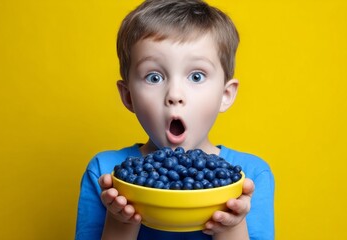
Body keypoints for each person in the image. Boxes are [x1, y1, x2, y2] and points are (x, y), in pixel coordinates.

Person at [75, 0, 275, 239]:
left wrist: (231, 225)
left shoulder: (250, 178)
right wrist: (121, 221)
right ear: (129, 96)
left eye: (197, 76)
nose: (175, 95)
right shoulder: (106, 174)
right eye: (154, 77)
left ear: (225, 95)